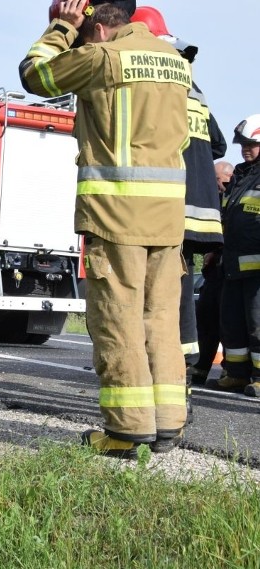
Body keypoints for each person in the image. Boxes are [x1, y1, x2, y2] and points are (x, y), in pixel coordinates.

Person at [20, 0, 190, 457]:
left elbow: (35, 75)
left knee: (118, 319)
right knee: (161, 320)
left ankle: (125, 430)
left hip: (118, 215)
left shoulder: (102, 57)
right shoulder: (175, 62)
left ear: (95, 24)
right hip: (168, 219)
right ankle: (169, 424)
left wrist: (60, 27)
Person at [129, 6, 226, 420]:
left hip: (167, 203)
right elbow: (217, 146)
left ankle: (171, 378)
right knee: (179, 292)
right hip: (201, 209)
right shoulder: (195, 89)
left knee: (165, 297)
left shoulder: (154, 82)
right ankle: (177, 377)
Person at [206, 117, 260, 396]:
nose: (245, 149)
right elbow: (227, 216)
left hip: (257, 267)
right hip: (232, 262)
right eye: (243, 144)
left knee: (258, 324)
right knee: (232, 323)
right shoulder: (240, 175)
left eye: (252, 144)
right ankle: (237, 374)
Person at [191, 160, 234, 384]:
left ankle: (231, 371)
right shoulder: (216, 200)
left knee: (230, 323)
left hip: (232, 269)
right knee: (206, 318)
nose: (217, 184)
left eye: (220, 180)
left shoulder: (235, 196)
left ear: (229, 177)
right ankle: (200, 369)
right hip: (215, 270)